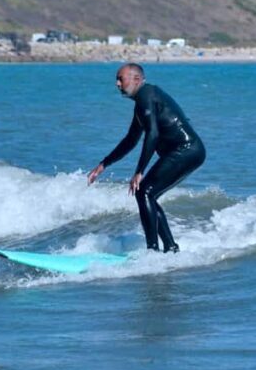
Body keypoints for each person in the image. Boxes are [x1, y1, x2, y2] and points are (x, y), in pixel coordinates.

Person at [88, 63, 206, 253]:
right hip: (187, 151)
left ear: (137, 79)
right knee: (147, 194)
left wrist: (139, 171)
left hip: (186, 149)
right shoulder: (143, 102)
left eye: (121, 79)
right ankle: (170, 248)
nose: (117, 84)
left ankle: (153, 250)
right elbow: (131, 139)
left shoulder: (146, 95)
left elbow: (153, 134)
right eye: (116, 80)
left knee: (144, 191)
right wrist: (104, 164)